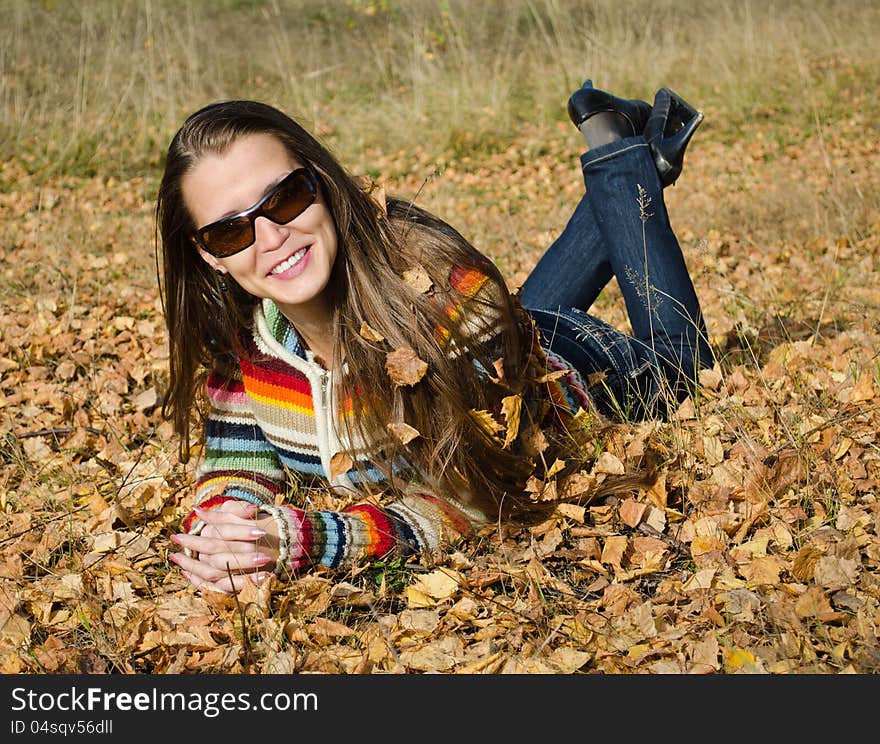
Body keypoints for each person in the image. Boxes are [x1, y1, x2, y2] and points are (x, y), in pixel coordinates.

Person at [156, 80, 714, 594]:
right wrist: (230, 529)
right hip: (503, 344)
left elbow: (478, 499)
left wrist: (312, 539)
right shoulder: (248, 344)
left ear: (319, 182)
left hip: (578, 372)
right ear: (208, 254)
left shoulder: (447, 292)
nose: (272, 237)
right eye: (231, 229)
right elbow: (236, 463)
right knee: (526, 314)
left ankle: (622, 156)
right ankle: (632, 153)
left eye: (283, 198)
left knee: (683, 357)